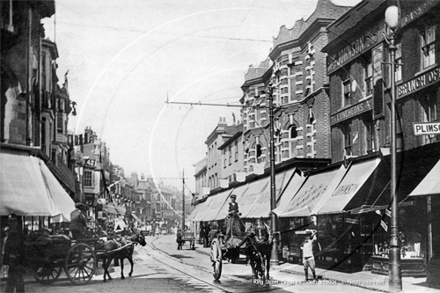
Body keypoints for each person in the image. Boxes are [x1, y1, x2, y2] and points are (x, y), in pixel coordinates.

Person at [3, 214, 25, 292]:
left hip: (16, 259)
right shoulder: (15, 232)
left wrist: (6, 261)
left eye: (12, 221)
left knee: (16, 279)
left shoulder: (16, 233)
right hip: (14, 260)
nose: (11, 223)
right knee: (14, 279)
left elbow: (10, 247)